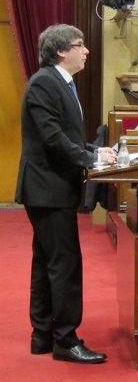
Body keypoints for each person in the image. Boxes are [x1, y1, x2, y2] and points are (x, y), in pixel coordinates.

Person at [15, 24, 117, 364]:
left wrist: (94, 151)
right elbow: (50, 136)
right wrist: (88, 157)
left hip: (51, 186)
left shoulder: (61, 83)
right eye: (80, 45)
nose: (86, 50)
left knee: (46, 262)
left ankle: (42, 335)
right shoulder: (45, 81)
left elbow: (66, 135)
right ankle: (66, 339)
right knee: (65, 264)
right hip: (48, 188)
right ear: (61, 51)